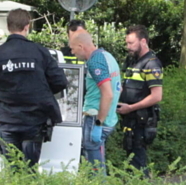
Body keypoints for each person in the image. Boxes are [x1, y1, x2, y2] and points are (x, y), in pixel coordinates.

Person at [0, 8, 68, 168]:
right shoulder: (40, 52)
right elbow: (60, 82)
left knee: (13, 170)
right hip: (34, 120)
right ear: (27, 26)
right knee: (30, 170)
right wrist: (40, 94)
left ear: (8, 26)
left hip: (6, 120)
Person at [69, 31, 121, 173]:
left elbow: (108, 94)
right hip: (108, 118)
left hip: (95, 118)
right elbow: (118, 88)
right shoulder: (107, 56)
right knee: (98, 163)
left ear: (81, 46)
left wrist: (98, 123)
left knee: (95, 168)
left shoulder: (94, 62)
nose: (73, 53)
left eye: (73, 49)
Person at [116, 25, 163, 174]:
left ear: (143, 41)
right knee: (131, 159)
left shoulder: (151, 64)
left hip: (141, 120)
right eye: (127, 43)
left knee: (138, 161)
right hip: (129, 119)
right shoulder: (132, 62)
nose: (127, 47)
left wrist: (130, 108)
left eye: (131, 43)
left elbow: (156, 96)